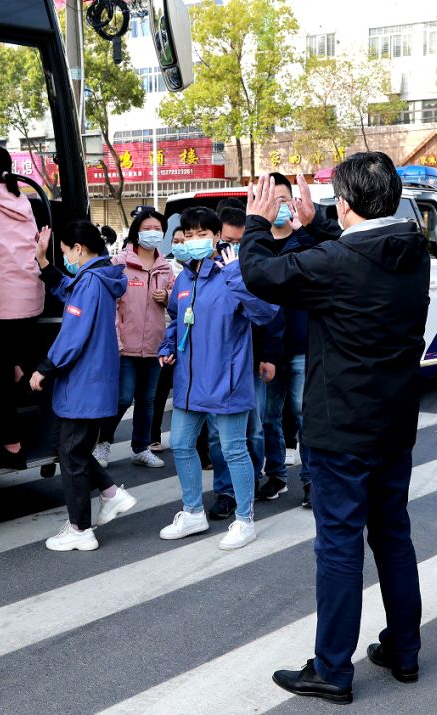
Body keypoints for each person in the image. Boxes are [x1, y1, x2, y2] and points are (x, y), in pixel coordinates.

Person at [241, 154, 430, 703]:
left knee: (340, 546)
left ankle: (332, 669)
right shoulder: (414, 248)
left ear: (344, 202)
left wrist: (259, 223)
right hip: (393, 424)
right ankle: (404, 649)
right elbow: (360, 253)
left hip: (342, 427)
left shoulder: (336, 261)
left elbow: (262, 275)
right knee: (393, 536)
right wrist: (316, 224)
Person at [157, 206, 277, 550]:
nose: (194, 241)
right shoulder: (184, 278)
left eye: (201, 235)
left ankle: (245, 519)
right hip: (190, 382)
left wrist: (237, 275)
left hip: (227, 381)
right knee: (180, 444)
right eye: (188, 235)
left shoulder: (232, 273)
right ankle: (193, 511)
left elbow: (265, 312)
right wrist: (168, 346)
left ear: (215, 238)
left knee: (233, 450)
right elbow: (177, 320)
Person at [29, 221, 136, 551]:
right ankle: (110, 493)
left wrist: (44, 368)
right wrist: (44, 262)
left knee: (72, 453)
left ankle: (80, 529)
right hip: (93, 381)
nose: (66, 259)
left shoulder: (91, 281)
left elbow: (73, 335)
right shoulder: (98, 275)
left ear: (79, 249)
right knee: (68, 446)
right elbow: (68, 289)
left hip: (84, 383)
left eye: (65, 253)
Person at [206, 205, 283, 521]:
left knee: (254, 430)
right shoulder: (204, 269)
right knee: (215, 435)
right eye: (227, 241)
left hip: (251, 362)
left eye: (240, 242)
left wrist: (269, 356)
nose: (232, 249)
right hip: (216, 366)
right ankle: (225, 491)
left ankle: (248, 485)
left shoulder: (257, 264)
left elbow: (271, 317)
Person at [249, 172, 316, 508]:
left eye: (283, 199)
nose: (278, 206)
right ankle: (276, 476)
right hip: (267, 351)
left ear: (294, 201)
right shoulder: (257, 248)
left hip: (303, 345)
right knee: (268, 417)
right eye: (270, 199)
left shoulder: (307, 243)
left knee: (304, 415)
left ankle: (311, 482)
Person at [0, 144, 45, 469]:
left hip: (3, 302)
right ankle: (23, 370)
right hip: (30, 295)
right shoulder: (21, 200)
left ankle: (12, 445)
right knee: (17, 362)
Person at [92, 209, 173, 469]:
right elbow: (110, 304)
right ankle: (102, 444)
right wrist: (115, 339)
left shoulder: (165, 267)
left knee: (147, 400)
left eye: (157, 228)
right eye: (147, 228)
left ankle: (141, 448)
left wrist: (169, 297)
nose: (153, 233)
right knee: (123, 398)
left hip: (154, 346)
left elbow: (178, 302)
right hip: (125, 345)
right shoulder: (119, 264)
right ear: (137, 231)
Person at [149, 226, 187, 453]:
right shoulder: (167, 268)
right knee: (159, 390)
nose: (180, 245)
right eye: (177, 240)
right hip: (165, 339)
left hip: (187, 342)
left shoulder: (197, 271)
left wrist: (168, 298)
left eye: (185, 240)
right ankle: (153, 435)